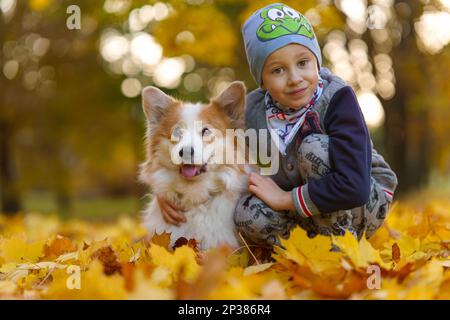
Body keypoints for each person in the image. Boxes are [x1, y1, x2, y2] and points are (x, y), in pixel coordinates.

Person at [156, 2, 398, 248]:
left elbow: (354, 187)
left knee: (314, 148)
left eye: (303, 63)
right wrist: (170, 194)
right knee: (245, 214)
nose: (295, 79)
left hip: (362, 202)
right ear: (262, 79)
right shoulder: (251, 110)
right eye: (278, 70)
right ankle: (302, 250)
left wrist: (285, 198)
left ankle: (339, 250)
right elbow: (217, 157)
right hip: (303, 209)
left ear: (317, 61)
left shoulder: (337, 98)